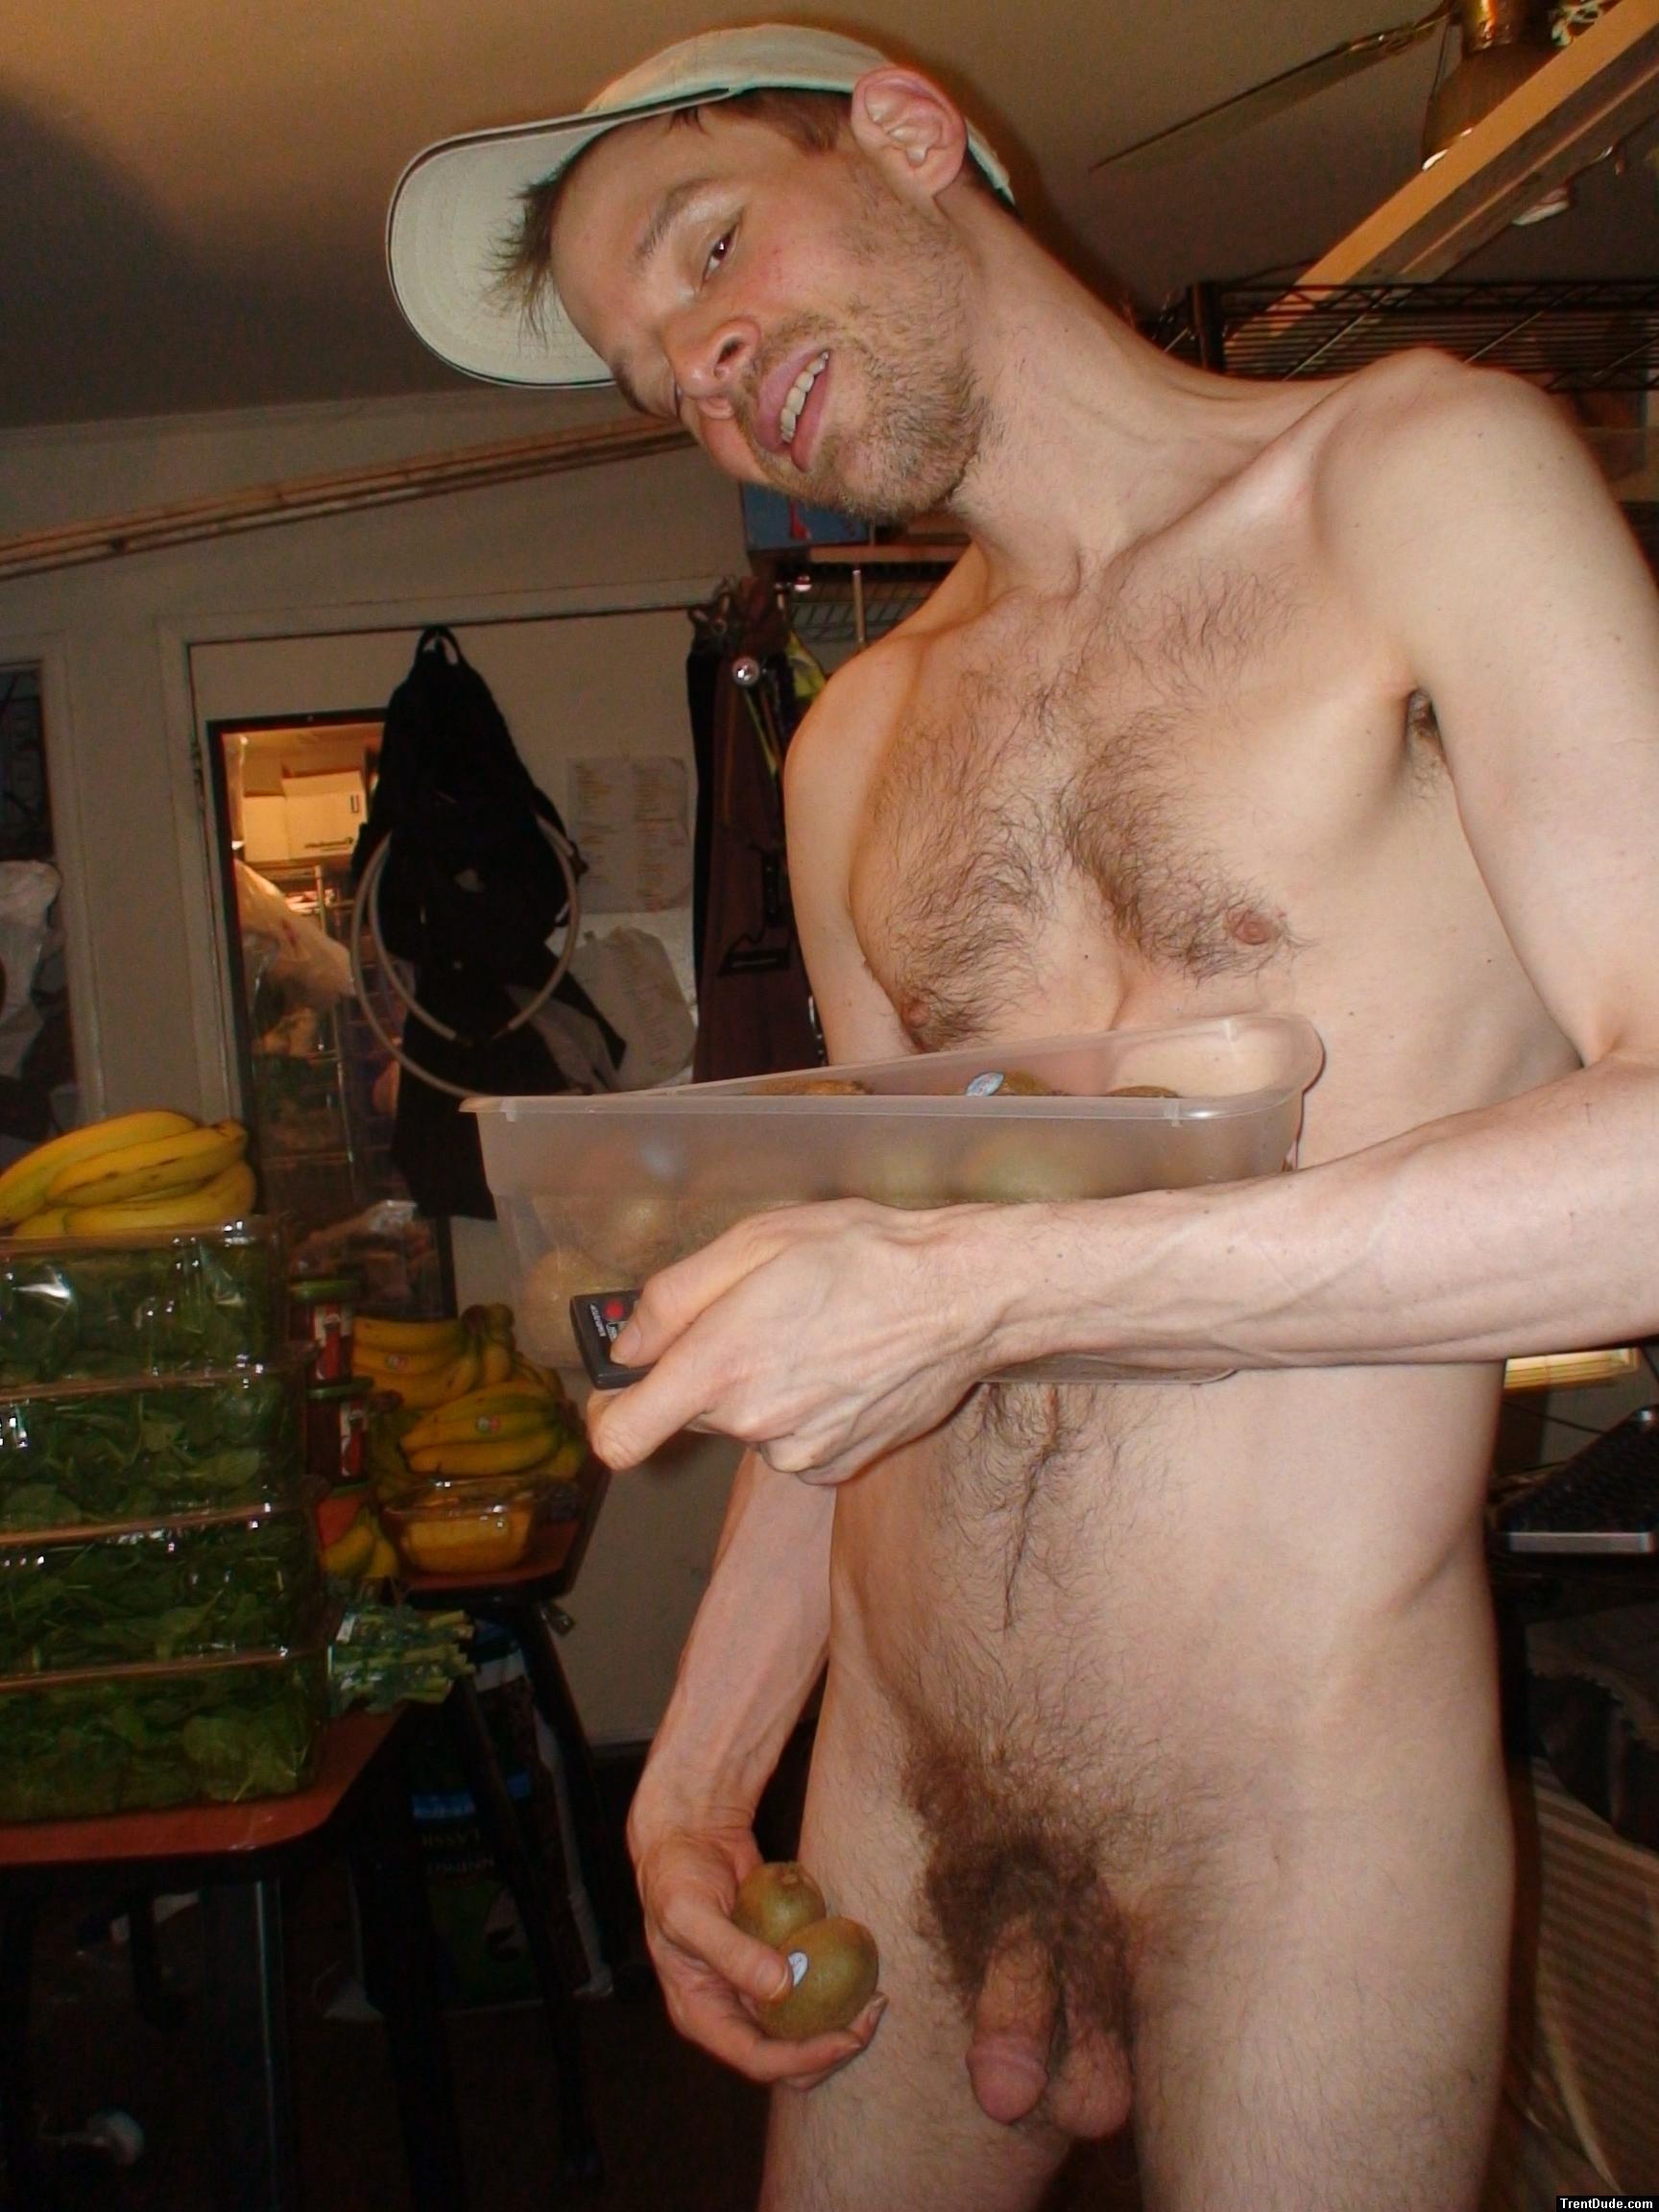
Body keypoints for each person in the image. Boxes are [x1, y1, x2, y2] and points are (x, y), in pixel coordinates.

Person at [389, 27, 1659, 2208]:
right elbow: (854, 1330)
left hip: (1301, 1804)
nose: (703, 370)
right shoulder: (853, 744)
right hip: (901, 1793)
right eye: (652, 373)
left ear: (907, 132)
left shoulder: (1417, 482)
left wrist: (981, 1290)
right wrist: (698, 1772)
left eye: (711, 247)